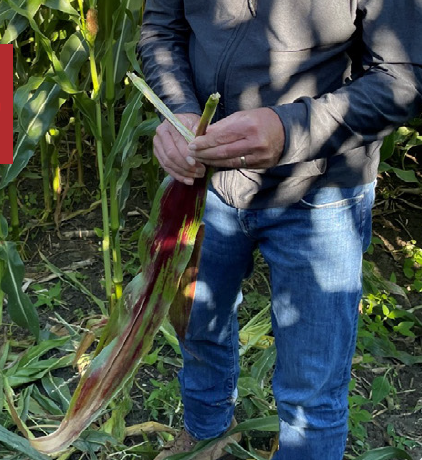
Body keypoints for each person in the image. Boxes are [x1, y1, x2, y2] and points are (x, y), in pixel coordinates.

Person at [137, 1, 422, 459]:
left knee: (312, 386)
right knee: (198, 327)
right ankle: (207, 434)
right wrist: (179, 114)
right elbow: (162, 31)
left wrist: (292, 129)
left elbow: (401, 80)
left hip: (321, 189)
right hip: (206, 180)